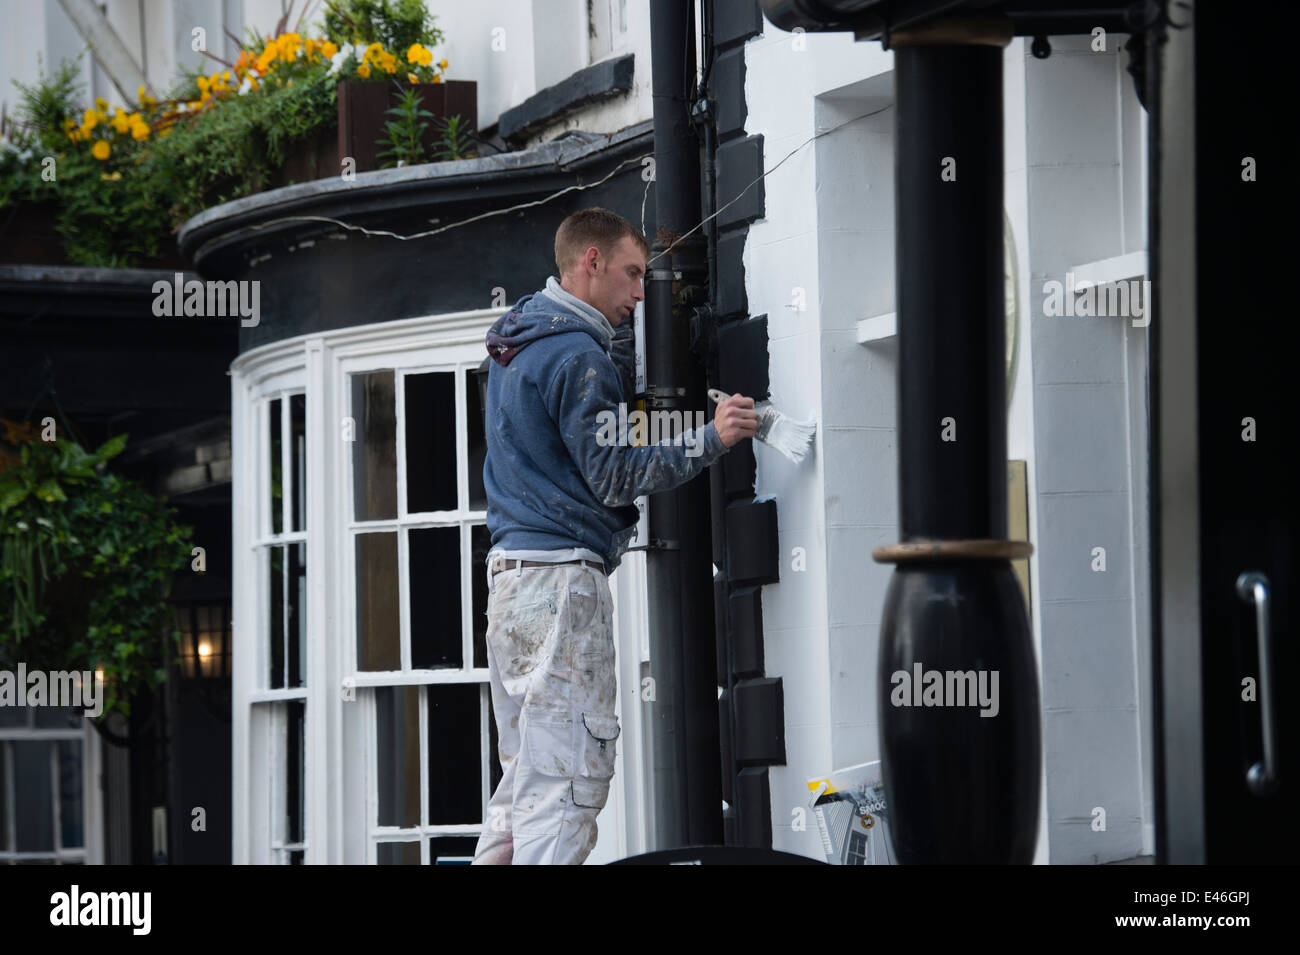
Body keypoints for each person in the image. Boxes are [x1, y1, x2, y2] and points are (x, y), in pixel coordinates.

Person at [472, 207, 758, 864]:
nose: (638, 293)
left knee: (523, 785)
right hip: (561, 588)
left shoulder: (522, 340)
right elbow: (613, 476)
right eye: (632, 274)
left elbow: (583, 429)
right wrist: (710, 437)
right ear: (590, 262)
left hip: (512, 587)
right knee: (570, 782)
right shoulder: (577, 357)